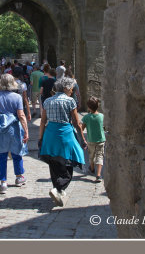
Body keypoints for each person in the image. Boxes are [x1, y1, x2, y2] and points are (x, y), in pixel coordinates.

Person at [39, 77, 88, 206]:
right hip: (65, 134)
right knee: (70, 161)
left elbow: (43, 121)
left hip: (50, 134)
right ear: (66, 88)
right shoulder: (70, 101)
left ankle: (57, 190)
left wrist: (40, 138)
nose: (72, 91)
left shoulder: (48, 101)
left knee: (54, 162)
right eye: (71, 88)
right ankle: (59, 188)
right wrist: (83, 139)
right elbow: (77, 123)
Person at [0, 74, 29, 194]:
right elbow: (21, 115)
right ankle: (19, 177)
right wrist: (26, 131)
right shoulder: (17, 97)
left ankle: (3, 182)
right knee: (17, 153)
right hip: (13, 128)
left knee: (1, 155)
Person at [81, 96, 106, 183]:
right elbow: (104, 127)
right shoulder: (101, 116)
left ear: (88, 107)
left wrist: (82, 138)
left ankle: (92, 169)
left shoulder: (86, 117)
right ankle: (98, 175)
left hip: (91, 140)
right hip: (101, 140)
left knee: (91, 156)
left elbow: (82, 128)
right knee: (100, 156)